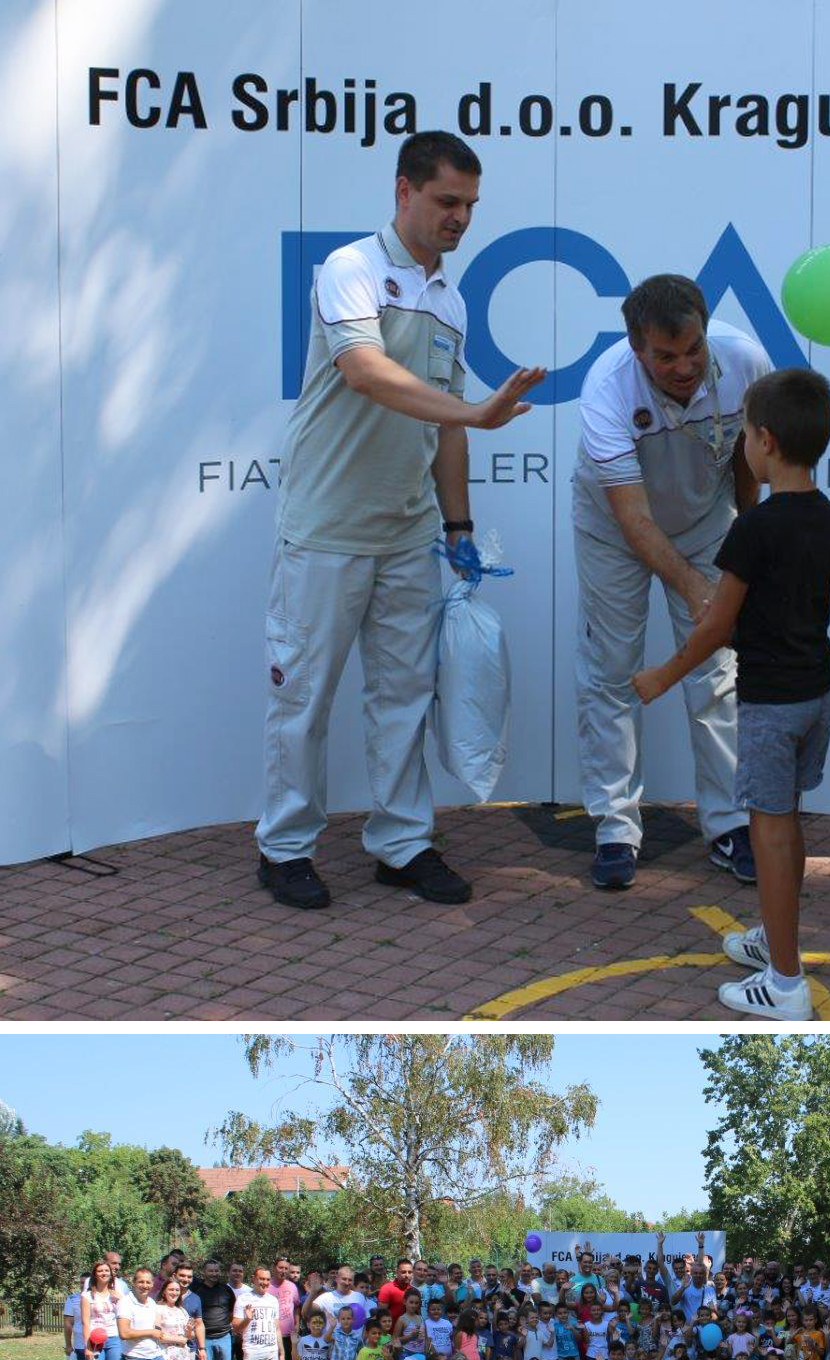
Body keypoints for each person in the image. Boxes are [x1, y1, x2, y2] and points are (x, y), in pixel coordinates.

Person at [254, 129, 543, 911]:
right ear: (404, 191)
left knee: (405, 695)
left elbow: (445, 426)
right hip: (326, 526)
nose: (461, 218)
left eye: (471, 205)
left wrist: (458, 526)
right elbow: (365, 371)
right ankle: (285, 848)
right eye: (448, 200)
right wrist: (474, 412)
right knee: (303, 699)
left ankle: (402, 843)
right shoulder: (349, 267)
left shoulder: (451, 299)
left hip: (409, 534)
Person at [634, 367, 830, 1020]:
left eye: (745, 434)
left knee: (769, 833)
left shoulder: (752, 530)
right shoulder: (828, 517)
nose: (741, 446)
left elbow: (717, 627)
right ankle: (776, 938)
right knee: (786, 821)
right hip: (818, 693)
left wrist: (663, 675)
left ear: (766, 441)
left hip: (772, 706)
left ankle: (785, 983)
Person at [573, 272, 771, 893]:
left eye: (693, 350)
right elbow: (633, 519)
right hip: (613, 531)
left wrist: (744, 544)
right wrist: (693, 588)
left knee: (716, 670)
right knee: (611, 671)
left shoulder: (746, 360)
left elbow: (747, 458)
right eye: (666, 357)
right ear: (636, 348)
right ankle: (614, 828)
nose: (685, 368)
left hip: (706, 523)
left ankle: (731, 824)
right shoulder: (606, 389)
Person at [190, 1259, 237, 1360]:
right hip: (204, 1339)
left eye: (216, 1270)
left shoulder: (226, 1290)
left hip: (224, 1336)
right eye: (210, 1271)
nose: (214, 1273)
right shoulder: (196, 1291)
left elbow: (232, 1311)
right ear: (204, 1272)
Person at [268, 1254, 301, 1360]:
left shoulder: (292, 1286)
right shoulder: (267, 1286)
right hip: (271, 1336)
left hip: (289, 1337)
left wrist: (297, 1324)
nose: (283, 1271)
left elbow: (297, 1306)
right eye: (280, 1268)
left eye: (286, 1268)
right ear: (274, 1268)